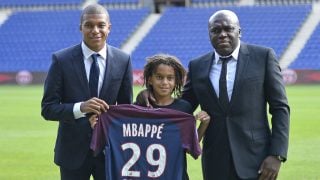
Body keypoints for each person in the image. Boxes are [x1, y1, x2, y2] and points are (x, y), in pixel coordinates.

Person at [138, 10, 290, 180]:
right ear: (209, 34)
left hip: (257, 159)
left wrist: (276, 154)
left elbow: (280, 108)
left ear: (239, 31)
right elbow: (181, 107)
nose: (222, 34)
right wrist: (151, 93)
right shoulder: (198, 66)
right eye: (216, 30)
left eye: (228, 29)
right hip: (215, 161)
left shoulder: (263, 57)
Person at [41, 4, 133, 180]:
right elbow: (48, 108)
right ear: (80, 28)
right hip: (72, 153)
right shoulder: (61, 60)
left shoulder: (123, 60)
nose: (95, 30)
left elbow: (124, 109)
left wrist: (105, 120)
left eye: (101, 25)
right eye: (89, 25)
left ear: (109, 28)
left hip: (109, 151)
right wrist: (81, 108)